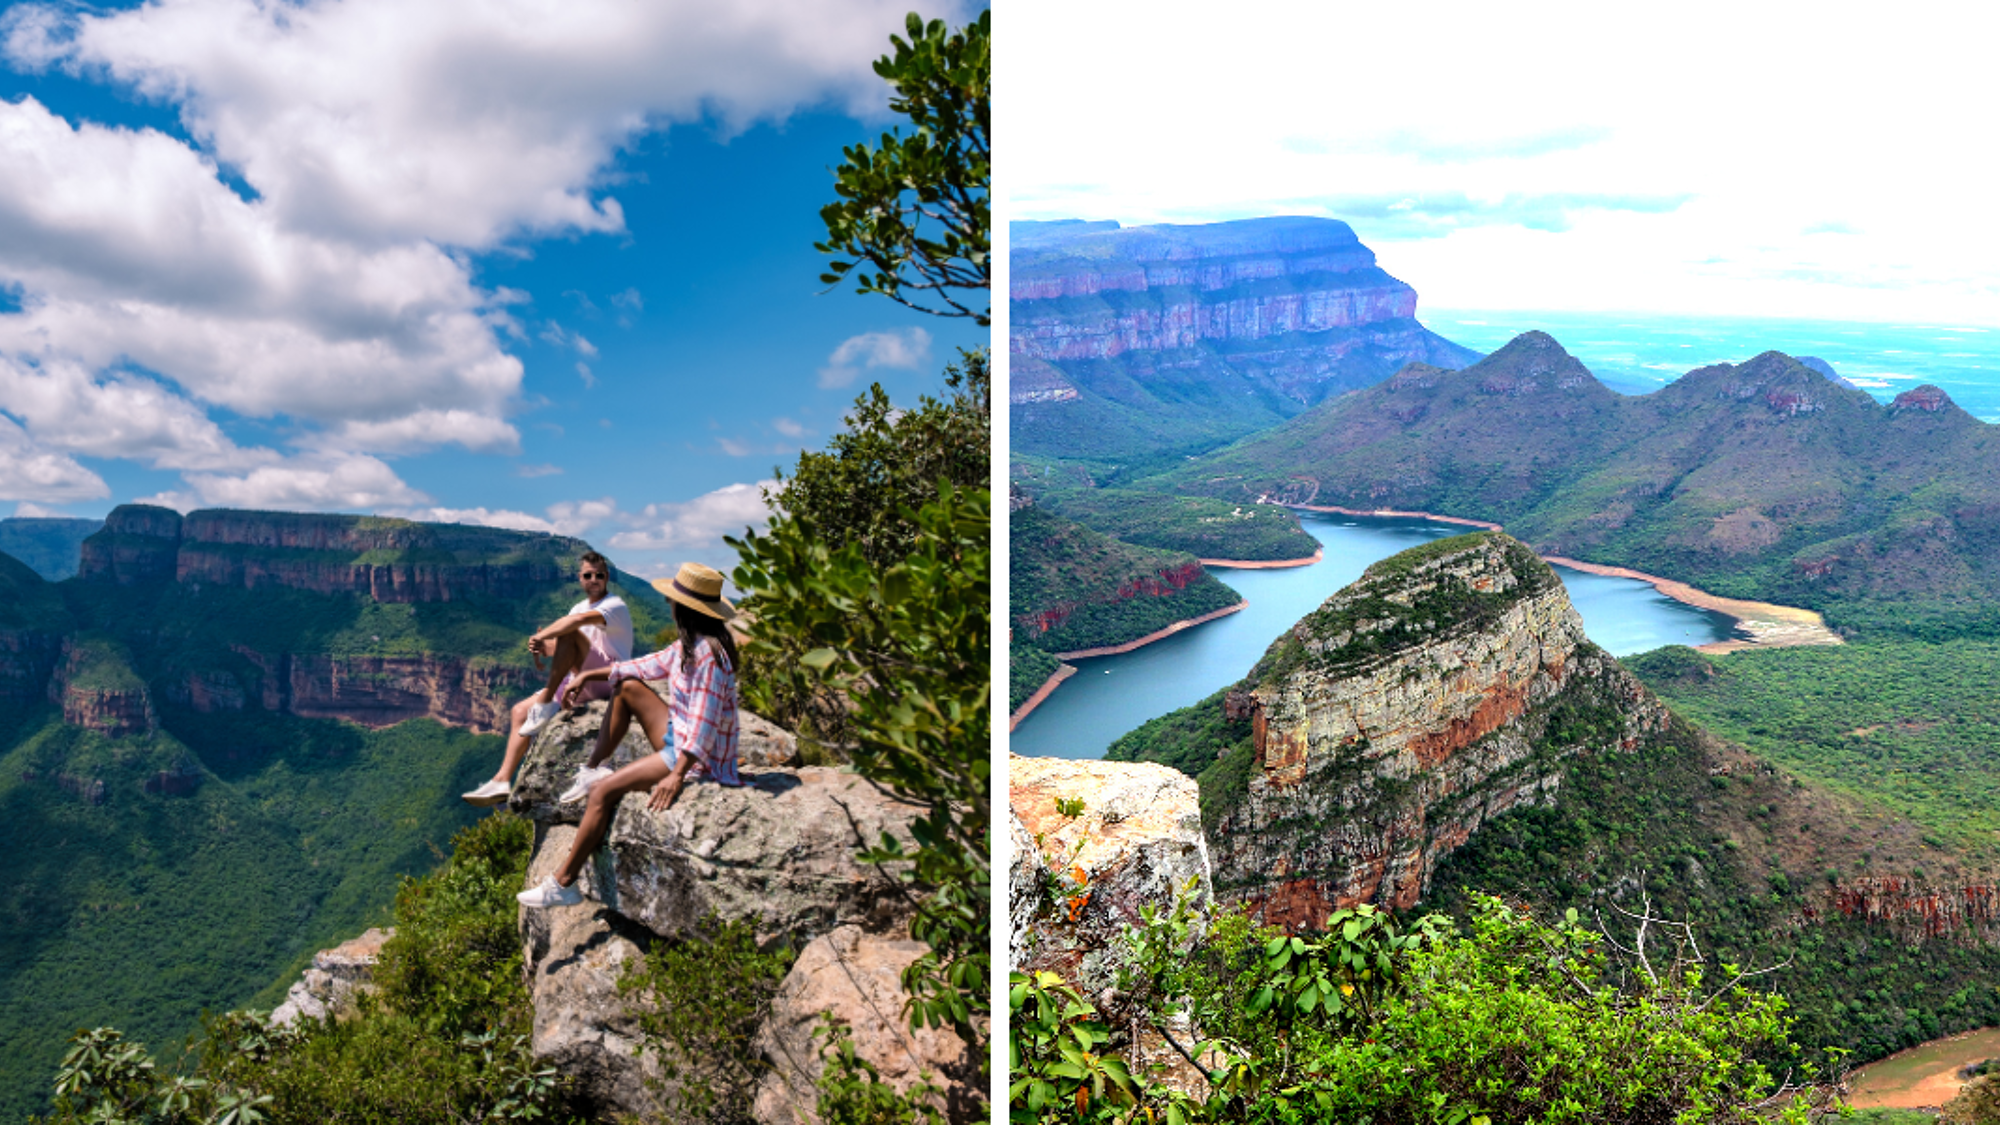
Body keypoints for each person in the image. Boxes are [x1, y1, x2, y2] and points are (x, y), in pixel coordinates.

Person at [518, 561, 743, 908]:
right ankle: (594, 765)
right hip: (676, 735)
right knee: (627, 687)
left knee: (602, 792)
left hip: (696, 759)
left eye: (672, 600)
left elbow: (704, 725)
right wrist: (588, 676)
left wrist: (677, 775)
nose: (668, 605)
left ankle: (563, 883)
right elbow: (646, 665)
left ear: (685, 607)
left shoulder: (708, 656)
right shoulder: (689, 644)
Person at [462, 550, 634, 806]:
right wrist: (543, 648)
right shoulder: (577, 606)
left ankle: (544, 707)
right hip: (578, 680)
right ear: (580, 578)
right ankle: (501, 780)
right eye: (588, 575)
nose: (594, 580)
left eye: (599, 575)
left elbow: (576, 623)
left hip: (606, 679)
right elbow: (566, 650)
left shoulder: (614, 605)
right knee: (519, 711)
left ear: (607, 577)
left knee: (570, 629)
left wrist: (544, 636)